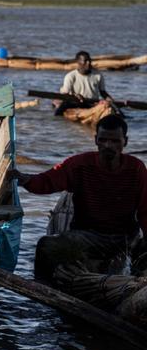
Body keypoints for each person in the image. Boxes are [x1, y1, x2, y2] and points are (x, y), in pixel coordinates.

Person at [14, 114, 147, 285]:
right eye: (103, 140)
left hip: (125, 239)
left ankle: (133, 285)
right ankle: (43, 290)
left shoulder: (136, 169)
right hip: (87, 236)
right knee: (46, 246)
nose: (108, 146)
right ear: (96, 140)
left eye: (115, 141)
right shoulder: (80, 164)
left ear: (125, 142)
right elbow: (49, 181)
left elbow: (145, 210)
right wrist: (25, 179)